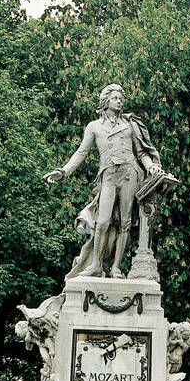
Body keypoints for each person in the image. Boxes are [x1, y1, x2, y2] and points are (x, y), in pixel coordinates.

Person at [45, 84, 162, 278]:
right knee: (103, 221)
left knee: (125, 222)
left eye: (121, 99)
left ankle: (116, 267)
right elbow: (81, 152)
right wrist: (63, 171)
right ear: (105, 101)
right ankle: (95, 265)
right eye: (115, 98)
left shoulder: (129, 124)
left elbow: (141, 152)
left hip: (129, 174)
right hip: (108, 175)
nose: (119, 101)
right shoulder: (94, 126)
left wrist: (151, 167)